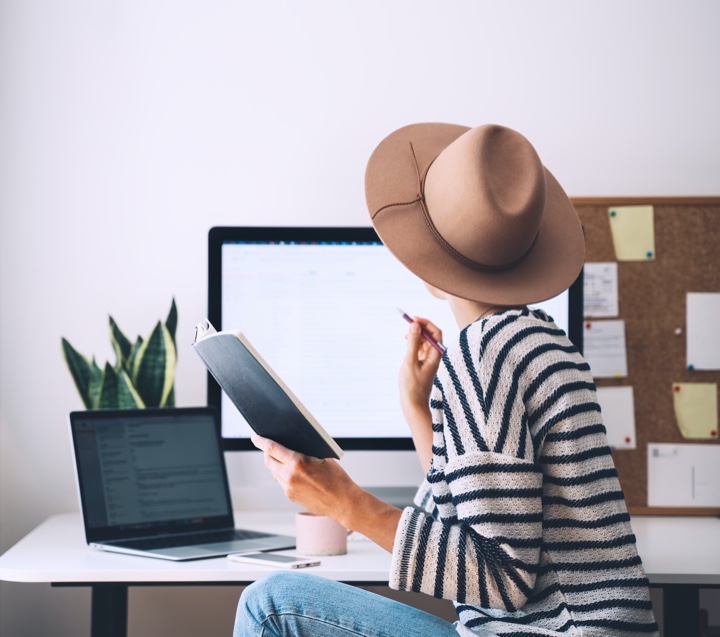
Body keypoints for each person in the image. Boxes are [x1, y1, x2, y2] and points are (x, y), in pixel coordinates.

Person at [234, 123, 659, 636]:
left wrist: (345, 502)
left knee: (270, 604)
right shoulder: (545, 342)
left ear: (431, 268)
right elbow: (482, 514)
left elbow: (502, 576)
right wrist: (418, 407)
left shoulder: (482, 355)